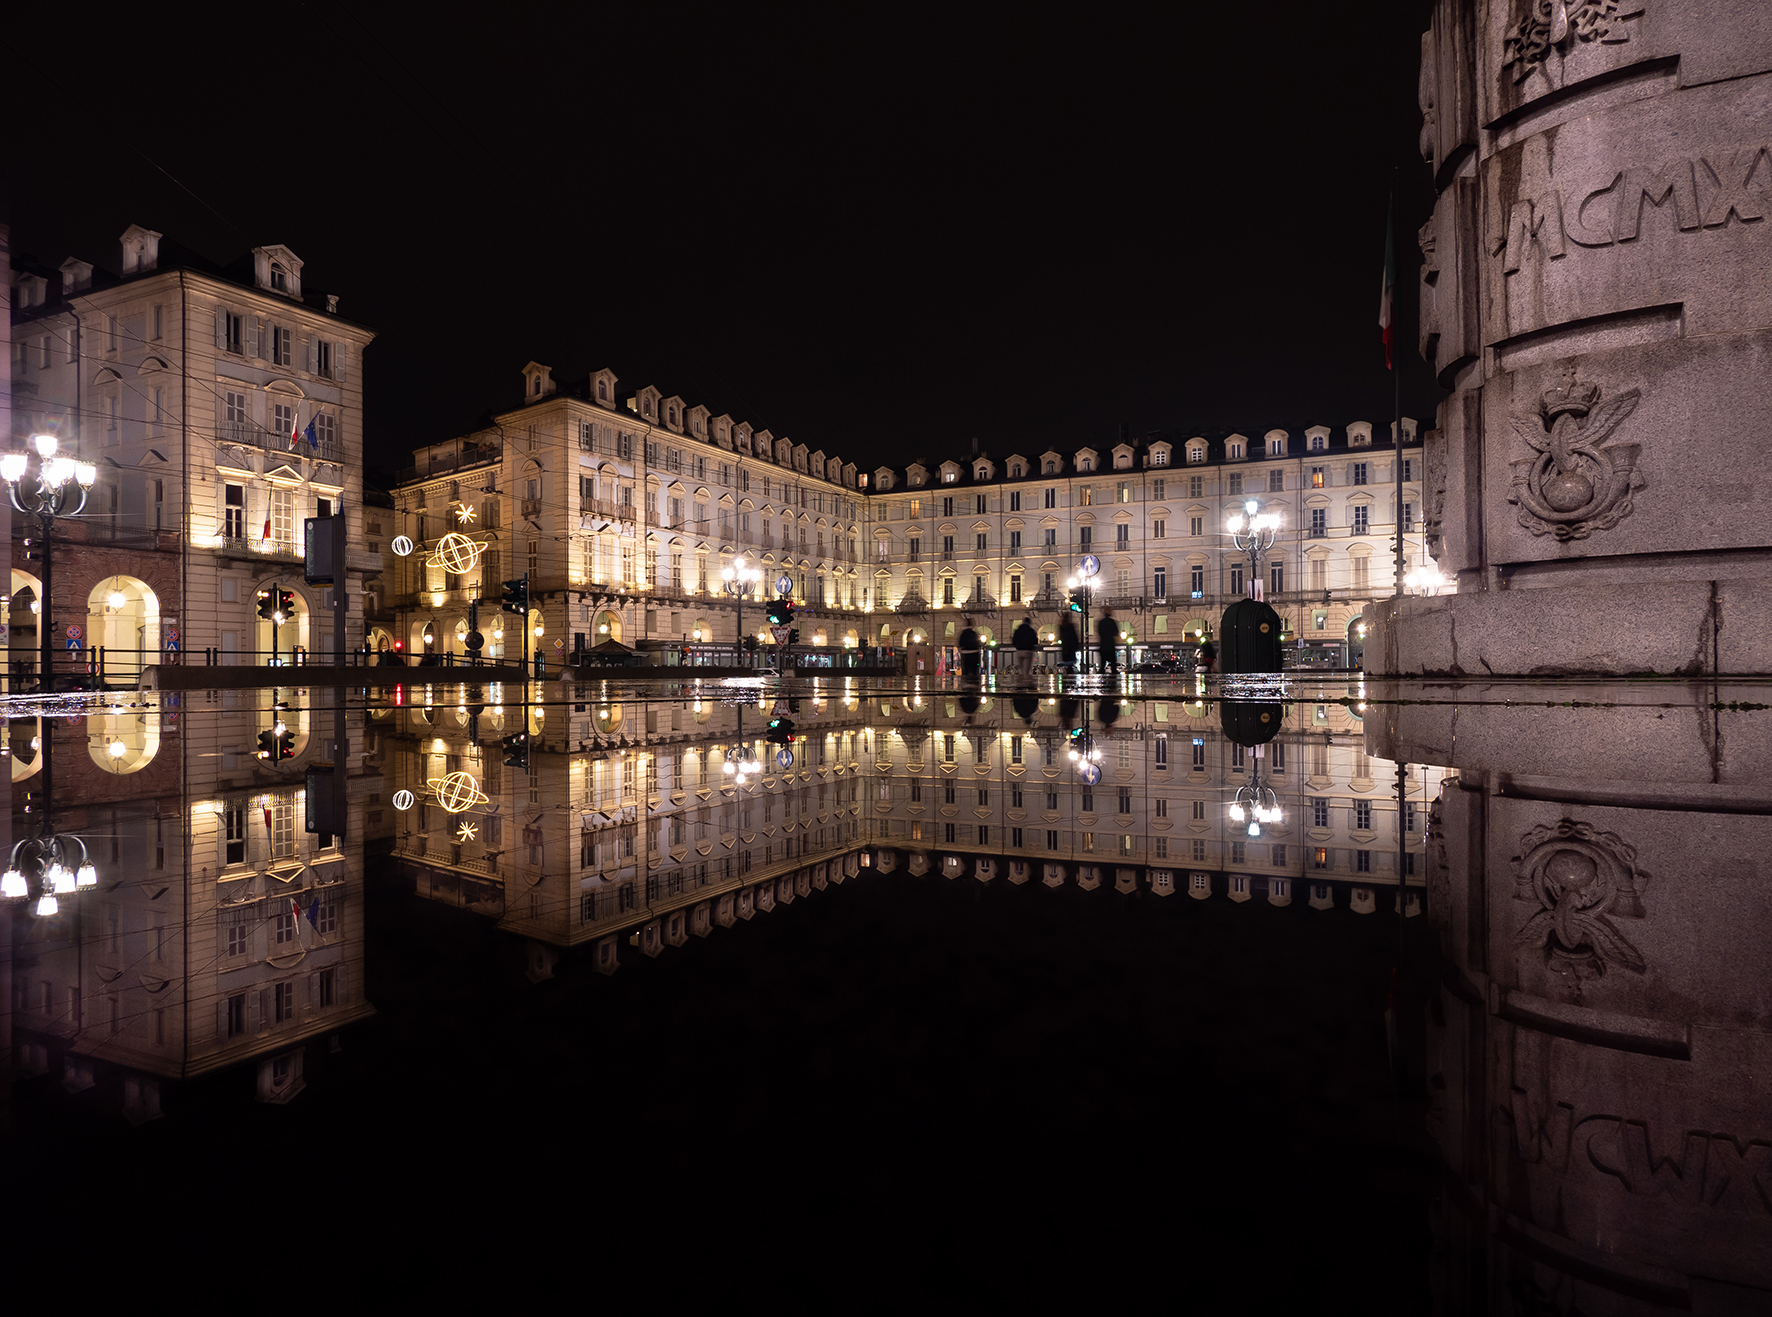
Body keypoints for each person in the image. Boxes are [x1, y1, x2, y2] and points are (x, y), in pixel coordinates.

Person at [1096, 606, 1120, 675]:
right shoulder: (1112, 622)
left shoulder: (1101, 622)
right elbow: (1116, 632)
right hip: (1110, 645)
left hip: (1103, 645)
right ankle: (1113, 679)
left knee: (1103, 664)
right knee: (1113, 664)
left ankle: (1102, 676)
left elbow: (1099, 632)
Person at [958, 616, 981, 682]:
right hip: (974, 653)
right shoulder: (974, 634)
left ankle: (965, 682)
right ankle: (974, 682)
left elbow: (960, 643)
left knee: (966, 670)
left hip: (965, 654)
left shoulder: (963, 634)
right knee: (974, 670)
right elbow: (978, 643)